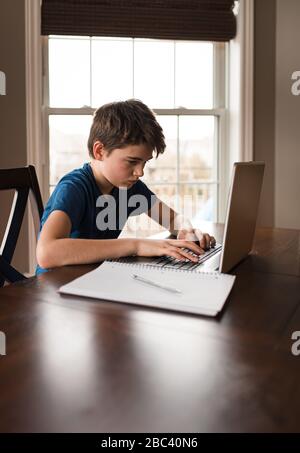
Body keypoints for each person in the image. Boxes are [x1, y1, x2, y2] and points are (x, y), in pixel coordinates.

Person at [36, 99, 215, 275]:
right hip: (55, 285)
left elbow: (172, 219)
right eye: (132, 161)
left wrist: (189, 232)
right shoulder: (74, 188)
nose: (140, 172)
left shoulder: (130, 188)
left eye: (144, 163)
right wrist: (136, 245)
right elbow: (46, 253)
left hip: (93, 278)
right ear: (99, 151)